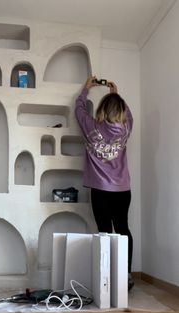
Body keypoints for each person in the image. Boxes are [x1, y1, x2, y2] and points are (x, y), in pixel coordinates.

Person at [75, 76, 134, 291]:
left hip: (100, 190)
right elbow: (127, 114)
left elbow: (79, 110)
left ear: (101, 109)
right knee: (123, 229)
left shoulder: (91, 127)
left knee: (104, 231)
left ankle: (107, 277)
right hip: (122, 189)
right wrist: (115, 94)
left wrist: (86, 89)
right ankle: (126, 276)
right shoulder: (126, 129)